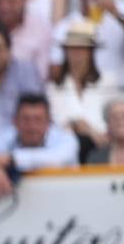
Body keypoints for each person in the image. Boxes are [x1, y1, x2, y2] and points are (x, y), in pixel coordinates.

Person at [0, 93, 80, 195]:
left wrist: (10, 160)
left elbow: (57, 159)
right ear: (15, 121)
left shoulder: (66, 139)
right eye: (26, 119)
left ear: (49, 122)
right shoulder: (7, 135)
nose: (32, 127)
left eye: (38, 119)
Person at [46, 20, 114, 159]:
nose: (76, 53)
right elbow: (56, 124)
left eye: (82, 48)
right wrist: (78, 125)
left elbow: (112, 119)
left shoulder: (109, 81)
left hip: (102, 147)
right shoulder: (53, 87)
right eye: (72, 48)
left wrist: (87, 129)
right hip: (65, 151)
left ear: (91, 52)